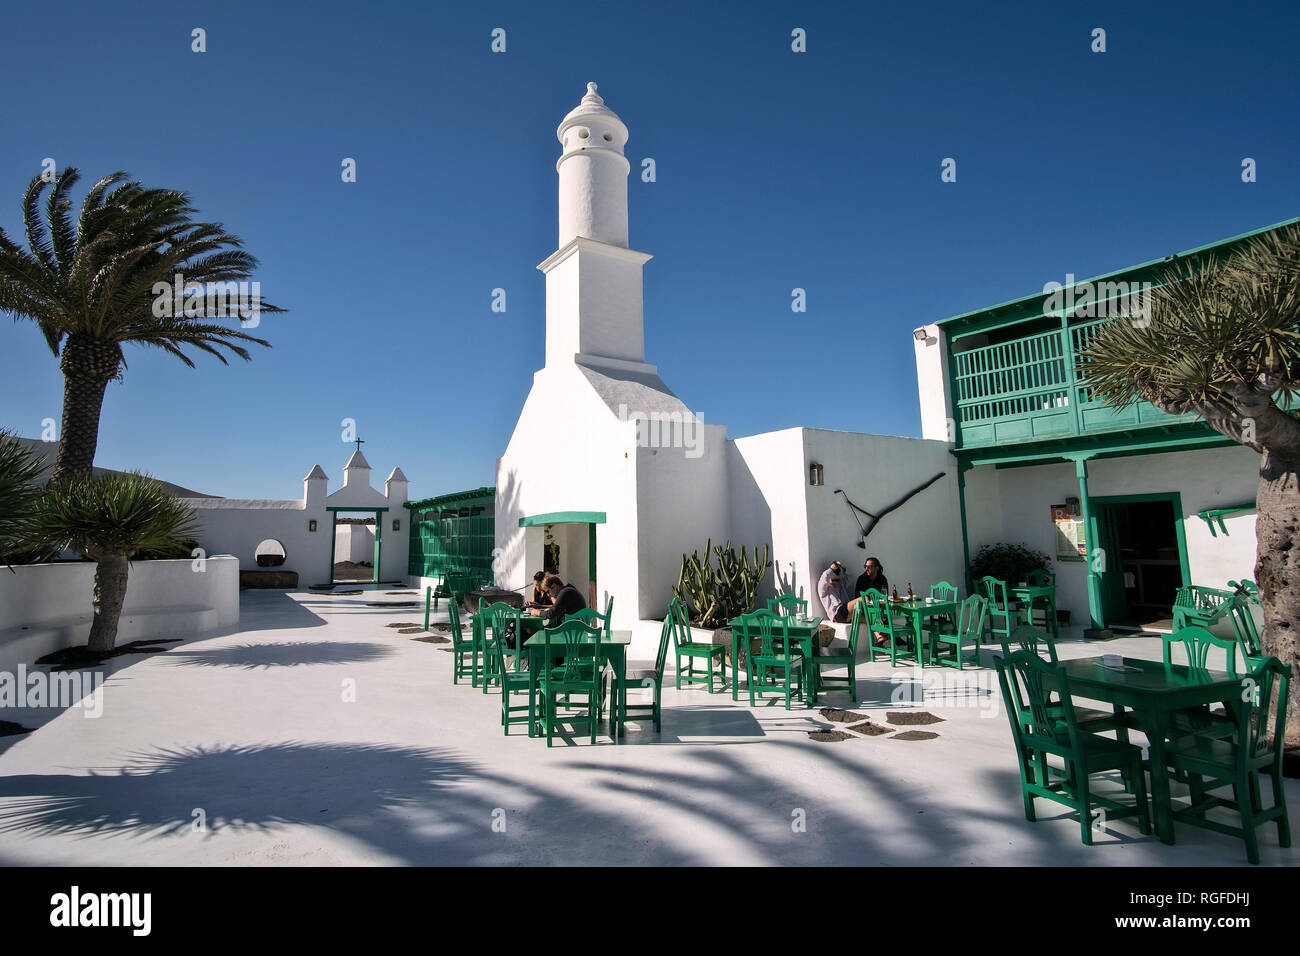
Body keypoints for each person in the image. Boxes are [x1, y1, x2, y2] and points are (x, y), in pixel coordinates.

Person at [852, 556, 895, 648]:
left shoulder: (882, 579)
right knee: (875, 616)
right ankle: (883, 639)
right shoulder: (862, 579)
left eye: (870, 567)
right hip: (865, 609)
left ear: (877, 568)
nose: (867, 569)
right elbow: (857, 597)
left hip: (879, 607)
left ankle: (883, 640)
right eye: (865, 566)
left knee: (884, 614)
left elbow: (884, 596)